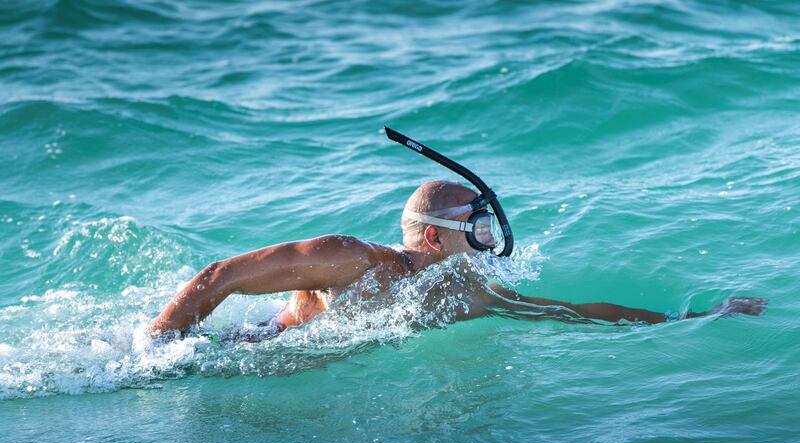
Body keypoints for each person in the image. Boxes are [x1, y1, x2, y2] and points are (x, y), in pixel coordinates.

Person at [148, 130, 766, 338]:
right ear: (432, 237)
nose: (491, 239)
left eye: (490, 223)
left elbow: (576, 313)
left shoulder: (465, 295)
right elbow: (220, 276)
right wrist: (161, 348)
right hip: (236, 356)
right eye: (477, 226)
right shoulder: (351, 261)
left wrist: (698, 318)